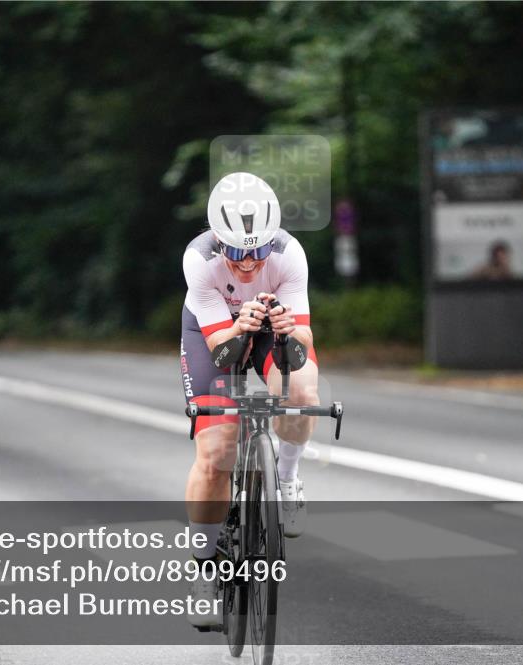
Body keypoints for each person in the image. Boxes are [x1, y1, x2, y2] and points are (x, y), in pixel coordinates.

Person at [179, 172, 320, 627]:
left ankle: (287, 477)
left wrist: (286, 330)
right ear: (218, 241)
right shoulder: (200, 260)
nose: (247, 263)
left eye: (257, 251)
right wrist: (240, 326)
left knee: (301, 392)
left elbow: (301, 346)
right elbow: (222, 352)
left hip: (269, 329)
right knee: (216, 453)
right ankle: (204, 570)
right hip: (217, 335)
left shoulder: (288, 254)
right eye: (237, 252)